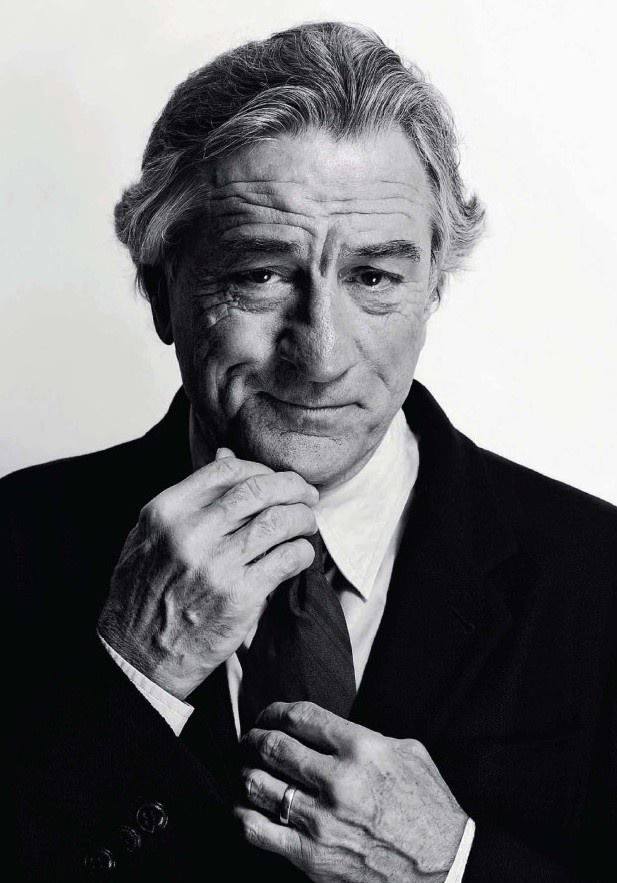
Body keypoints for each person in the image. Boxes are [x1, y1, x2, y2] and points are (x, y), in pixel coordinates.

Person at [7, 21, 616, 882]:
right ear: (159, 288)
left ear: (433, 288)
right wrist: (131, 678)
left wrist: (454, 866)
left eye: (373, 277)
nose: (321, 355)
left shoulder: (597, 575)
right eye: (260, 274)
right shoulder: (15, 542)